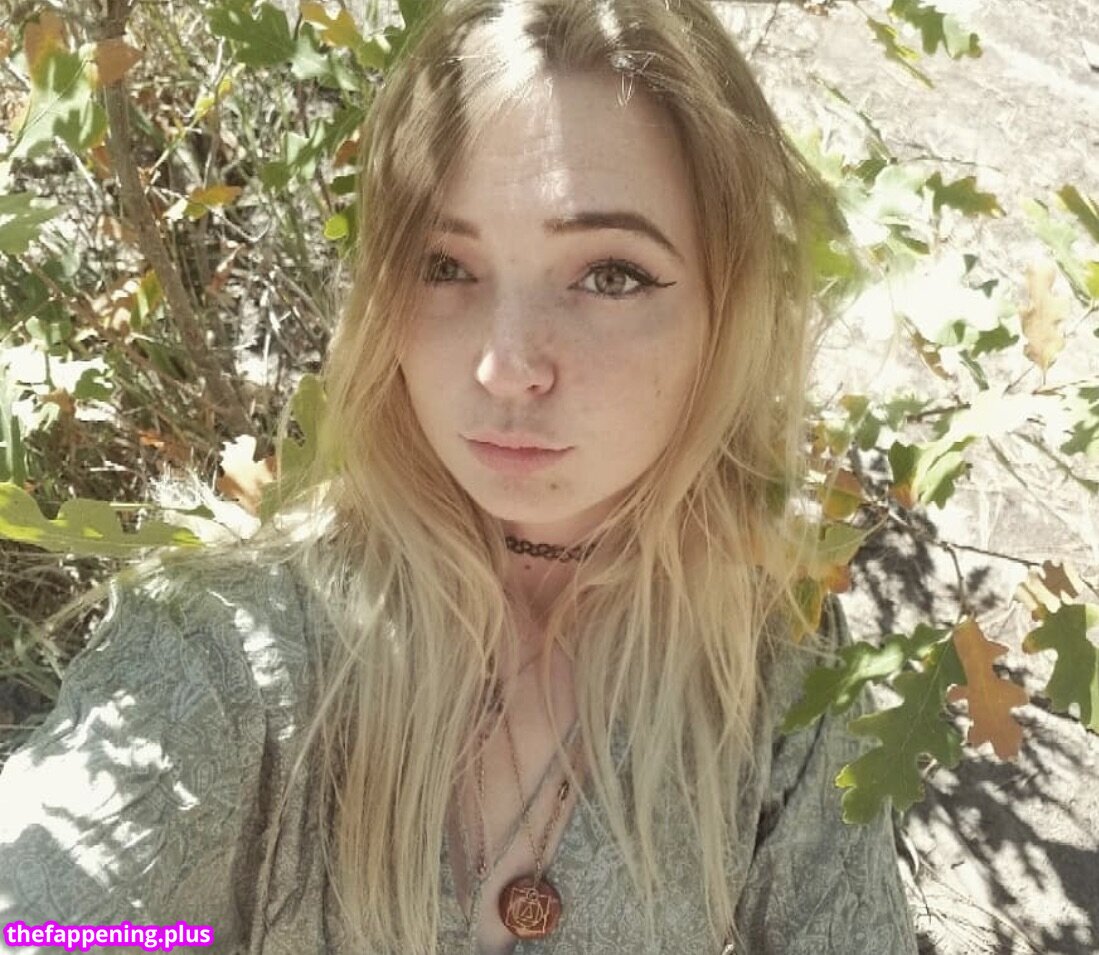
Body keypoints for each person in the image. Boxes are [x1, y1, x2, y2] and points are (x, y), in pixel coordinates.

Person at [0, 0, 918, 952]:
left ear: (727, 309)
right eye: (444, 265)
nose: (504, 365)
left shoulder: (773, 661)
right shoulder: (232, 649)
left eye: (609, 274)